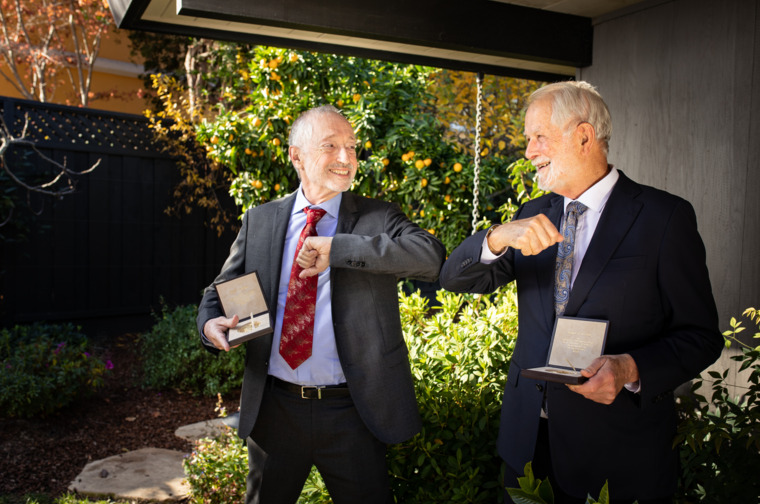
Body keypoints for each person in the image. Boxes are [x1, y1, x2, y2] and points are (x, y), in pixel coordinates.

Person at [439, 81, 723, 504]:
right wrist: (497, 237)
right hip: (527, 448)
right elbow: (455, 279)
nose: (529, 150)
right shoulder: (531, 214)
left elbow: (701, 337)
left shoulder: (664, 218)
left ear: (584, 136)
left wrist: (629, 369)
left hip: (616, 457)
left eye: (539, 137)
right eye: (528, 139)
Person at [197, 105, 446, 504]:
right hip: (274, 410)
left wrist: (339, 249)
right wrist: (210, 326)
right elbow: (219, 291)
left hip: (352, 411)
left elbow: (431, 257)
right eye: (331, 146)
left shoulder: (378, 218)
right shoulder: (260, 220)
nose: (347, 158)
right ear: (297, 155)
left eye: (352, 147)